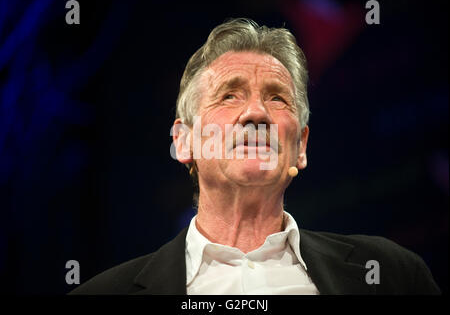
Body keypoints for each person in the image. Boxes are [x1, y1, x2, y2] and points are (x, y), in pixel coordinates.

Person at [70, 18, 440, 295]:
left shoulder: (391, 276)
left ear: (301, 146)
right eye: (229, 95)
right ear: (183, 143)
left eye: (277, 97)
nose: (257, 113)